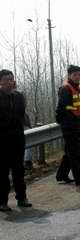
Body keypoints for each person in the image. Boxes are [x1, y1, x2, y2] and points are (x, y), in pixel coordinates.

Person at [55, 65, 80, 186]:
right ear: (69, 75)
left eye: (79, 75)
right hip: (69, 125)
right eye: (74, 75)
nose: (77, 77)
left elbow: (78, 104)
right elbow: (62, 108)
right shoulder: (65, 89)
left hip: (76, 123)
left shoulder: (77, 88)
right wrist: (65, 122)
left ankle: (61, 175)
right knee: (75, 152)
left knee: (70, 152)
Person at [0, 69, 32, 211]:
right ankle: (2, 202)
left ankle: (22, 198)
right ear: (0, 81)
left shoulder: (19, 96)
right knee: (2, 172)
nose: (9, 82)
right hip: (2, 140)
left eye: (11, 79)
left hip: (17, 138)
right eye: (6, 79)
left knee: (19, 170)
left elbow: (21, 115)